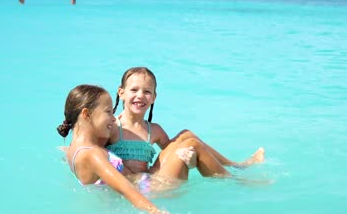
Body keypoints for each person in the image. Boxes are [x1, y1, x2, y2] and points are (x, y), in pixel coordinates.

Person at [57, 84, 183, 214]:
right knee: (188, 141)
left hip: (139, 185)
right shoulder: (92, 154)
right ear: (86, 114)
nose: (113, 118)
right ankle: (216, 178)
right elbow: (126, 189)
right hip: (150, 189)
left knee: (186, 142)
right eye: (108, 112)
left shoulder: (72, 149)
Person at [107, 66, 265, 176]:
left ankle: (235, 165)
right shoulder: (112, 126)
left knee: (186, 135)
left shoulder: (154, 130)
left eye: (147, 92)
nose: (140, 95)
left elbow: (170, 158)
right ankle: (235, 178)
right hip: (133, 185)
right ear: (121, 93)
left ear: (154, 98)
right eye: (134, 90)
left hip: (148, 179)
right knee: (193, 143)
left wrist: (189, 161)